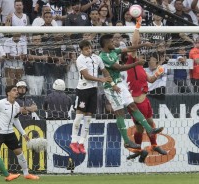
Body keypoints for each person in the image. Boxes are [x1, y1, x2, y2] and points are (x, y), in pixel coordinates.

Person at [99, 19, 164, 151]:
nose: (114, 43)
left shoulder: (113, 52)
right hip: (111, 87)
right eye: (111, 42)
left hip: (121, 85)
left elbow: (130, 47)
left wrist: (143, 44)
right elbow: (118, 67)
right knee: (120, 113)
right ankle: (127, 141)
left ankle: (150, 130)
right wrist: (136, 63)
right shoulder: (103, 57)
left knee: (133, 107)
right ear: (106, 44)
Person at [125, 18, 167, 163]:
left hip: (145, 101)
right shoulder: (131, 63)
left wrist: (157, 73)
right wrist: (138, 25)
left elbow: (150, 80)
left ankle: (152, 146)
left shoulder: (141, 69)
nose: (142, 57)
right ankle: (139, 149)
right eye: (140, 55)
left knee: (150, 124)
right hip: (136, 104)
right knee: (141, 128)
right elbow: (135, 44)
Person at [0, 85, 39, 181]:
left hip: (10, 133)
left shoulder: (17, 105)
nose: (16, 92)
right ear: (8, 93)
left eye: (17, 90)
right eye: (14, 90)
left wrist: (23, 133)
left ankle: (26, 174)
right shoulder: (0, 103)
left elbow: (16, 120)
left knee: (19, 152)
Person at [69, 40, 115, 154]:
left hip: (93, 91)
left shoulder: (97, 58)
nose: (89, 50)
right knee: (79, 117)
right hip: (83, 91)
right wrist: (101, 80)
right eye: (86, 49)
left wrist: (113, 84)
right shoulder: (80, 60)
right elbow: (86, 75)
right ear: (81, 50)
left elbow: (104, 71)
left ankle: (81, 143)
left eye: (89, 48)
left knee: (88, 119)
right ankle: (73, 141)